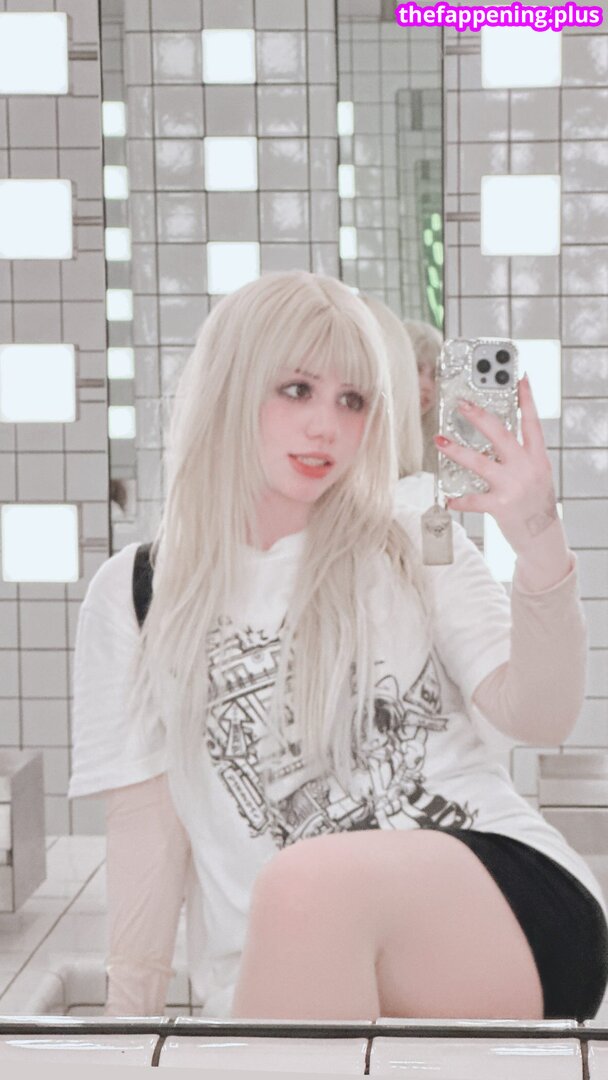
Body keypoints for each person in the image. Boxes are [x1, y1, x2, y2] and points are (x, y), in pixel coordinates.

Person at [69, 271, 608, 1022]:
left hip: (502, 907)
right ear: (229, 388)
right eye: (297, 390)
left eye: (352, 400)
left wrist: (539, 540)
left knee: (305, 883)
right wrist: (126, 1033)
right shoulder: (138, 593)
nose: (326, 425)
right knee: (300, 907)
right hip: (286, 966)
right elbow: (147, 837)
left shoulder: (411, 533)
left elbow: (540, 715)